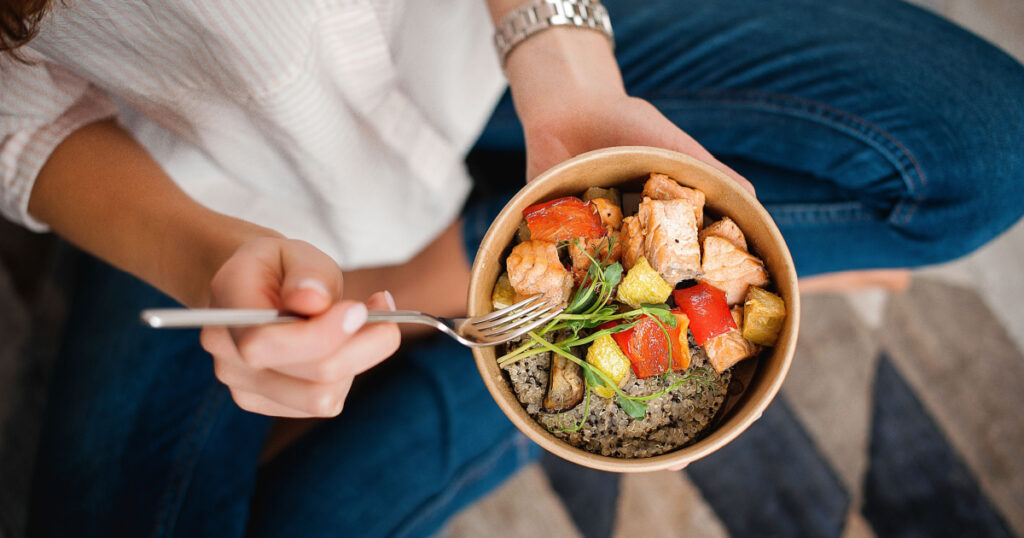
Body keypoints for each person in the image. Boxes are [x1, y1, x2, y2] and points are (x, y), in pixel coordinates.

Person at [1, 0, 1022, 536]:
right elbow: (19, 118)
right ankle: (514, 341)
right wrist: (204, 256)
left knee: (988, 146)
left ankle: (490, 319)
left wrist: (568, 72)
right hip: (206, 178)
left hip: (497, 50)